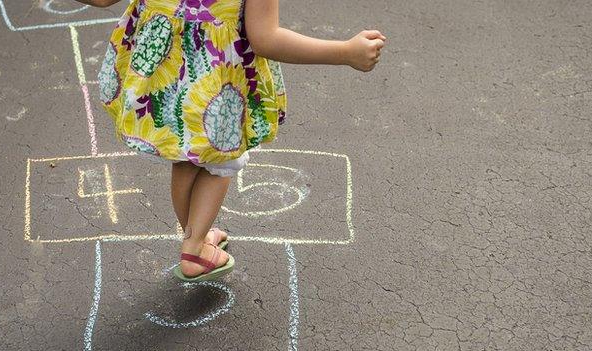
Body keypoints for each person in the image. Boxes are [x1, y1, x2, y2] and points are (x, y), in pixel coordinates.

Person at [84, 0, 385, 281]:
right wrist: (344, 52)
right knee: (222, 161)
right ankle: (194, 248)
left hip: (163, 72)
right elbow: (266, 38)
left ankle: (195, 236)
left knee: (186, 159)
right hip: (216, 73)